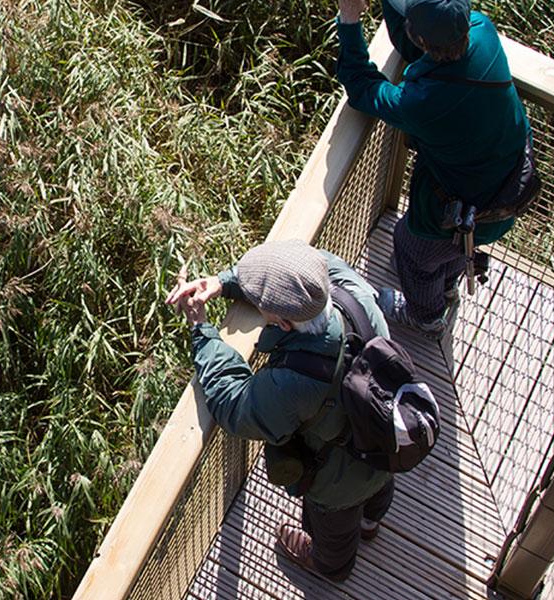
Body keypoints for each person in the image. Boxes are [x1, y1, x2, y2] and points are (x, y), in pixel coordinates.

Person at [165, 239, 394, 582]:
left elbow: (236, 405)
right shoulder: (354, 293)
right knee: (377, 486)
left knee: (333, 528)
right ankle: (371, 522)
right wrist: (225, 282)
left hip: (340, 479)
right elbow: (316, 263)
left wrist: (201, 330)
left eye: (262, 305)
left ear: (284, 325)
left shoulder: (295, 381)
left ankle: (330, 566)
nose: (259, 307)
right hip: (386, 436)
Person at [334, 0, 532, 335]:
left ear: (423, 40)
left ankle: (426, 316)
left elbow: (361, 87)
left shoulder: (423, 101)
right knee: (451, 253)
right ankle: (448, 280)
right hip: (508, 190)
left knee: (410, 248)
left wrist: (350, 19)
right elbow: (419, 45)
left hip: (461, 212)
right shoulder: (482, 30)